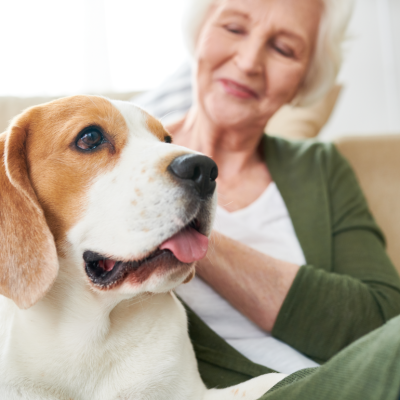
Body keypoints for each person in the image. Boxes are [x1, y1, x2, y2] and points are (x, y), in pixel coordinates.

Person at [136, 0, 400, 377]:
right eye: (233, 28)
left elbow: (381, 318)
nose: (248, 62)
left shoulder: (319, 166)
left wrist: (182, 227)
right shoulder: (126, 160)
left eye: (283, 49)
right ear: (200, 35)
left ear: (306, 80)